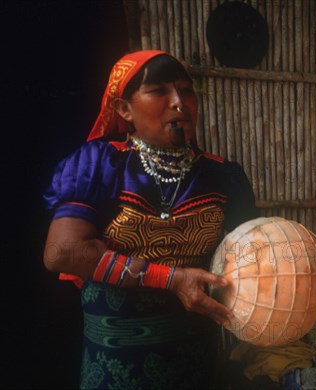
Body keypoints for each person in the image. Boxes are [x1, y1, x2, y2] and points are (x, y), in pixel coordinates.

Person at [43, 49, 259, 389]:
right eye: (159, 91)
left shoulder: (222, 176)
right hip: (114, 368)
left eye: (186, 90)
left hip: (197, 363)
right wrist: (172, 279)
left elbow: (256, 255)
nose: (179, 102)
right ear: (124, 109)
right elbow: (62, 252)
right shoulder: (100, 165)